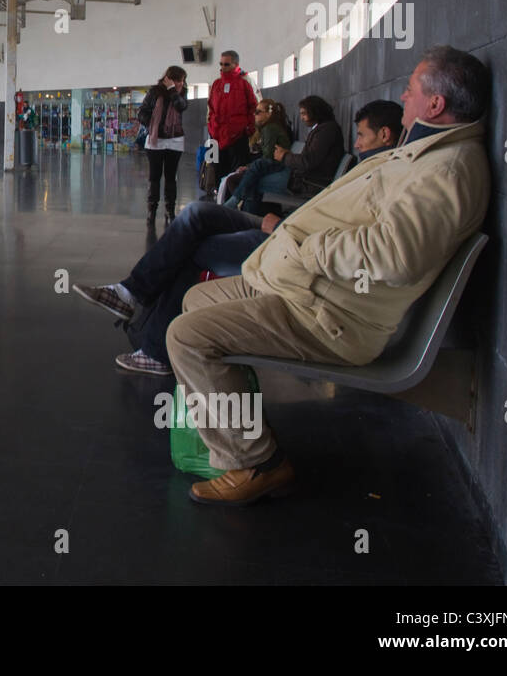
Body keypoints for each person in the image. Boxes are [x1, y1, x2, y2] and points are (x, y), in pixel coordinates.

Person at [166, 47, 490, 505]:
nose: (403, 96)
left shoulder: (447, 171)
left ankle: (257, 461)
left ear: (435, 105)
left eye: (412, 89)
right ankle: (237, 421)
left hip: (327, 313)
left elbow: (395, 256)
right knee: (198, 301)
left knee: (186, 337)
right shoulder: (425, 154)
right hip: (299, 285)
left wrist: (307, 249)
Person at [71, 101, 405, 374]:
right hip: (285, 226)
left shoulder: (387, 178)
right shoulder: (372, 167)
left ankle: (155, 348)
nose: (356, 142)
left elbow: (360, 240)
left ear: (385, 135)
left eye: (361, 135)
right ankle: (130, 293)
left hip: (288, 241)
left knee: (196, 248)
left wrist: (283, 227)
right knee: (198, 214)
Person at [225, 95, 344, 213]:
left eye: (304, 113)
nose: (301, 118)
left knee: (253, 181)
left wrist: (284, 156)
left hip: (307, 184)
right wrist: (286, 154)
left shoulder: (325, 131)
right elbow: (309, 159)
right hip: (303, 178)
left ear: (315, 112)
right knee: (253, 176)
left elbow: (308, 161)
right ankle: (243, 214)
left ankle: (242, 215)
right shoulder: (325, 129)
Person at [137, 66, 188, 225]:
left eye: (182, 80)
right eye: (178, 80)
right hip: (156, 140)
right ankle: (152, 210)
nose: (181, 83)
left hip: (175, 140)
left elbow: (181, 106)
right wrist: (152, 123)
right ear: (169, 78)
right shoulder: (155, 92)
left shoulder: (181, 93)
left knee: (171, 177)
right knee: (154, 176)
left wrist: (173, 90)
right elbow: (142, 112)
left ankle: (170, 210)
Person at [205, 50, 258, 193]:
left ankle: (234, 202)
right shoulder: (216, 84)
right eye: (221, 64)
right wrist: (211, 127)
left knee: (236, 173)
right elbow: (210, 107)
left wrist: (249, 130)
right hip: (216, 135)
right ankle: (217, 195)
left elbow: (255, 107)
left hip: (237, 136)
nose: (222, 67)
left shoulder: (246, 82)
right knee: (216, 168)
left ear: (236, 64)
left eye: (226, 64)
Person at [218, 99, 290, 204]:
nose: (254, 114)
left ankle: (236, 202)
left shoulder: (270, 129)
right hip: (275, 163)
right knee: (249, 172)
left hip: (277, 164)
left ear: (268, 114)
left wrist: (249, 166)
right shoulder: (268, 128)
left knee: (244, 174)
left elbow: (268, 156)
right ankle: (241, 204)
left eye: (258, 112)